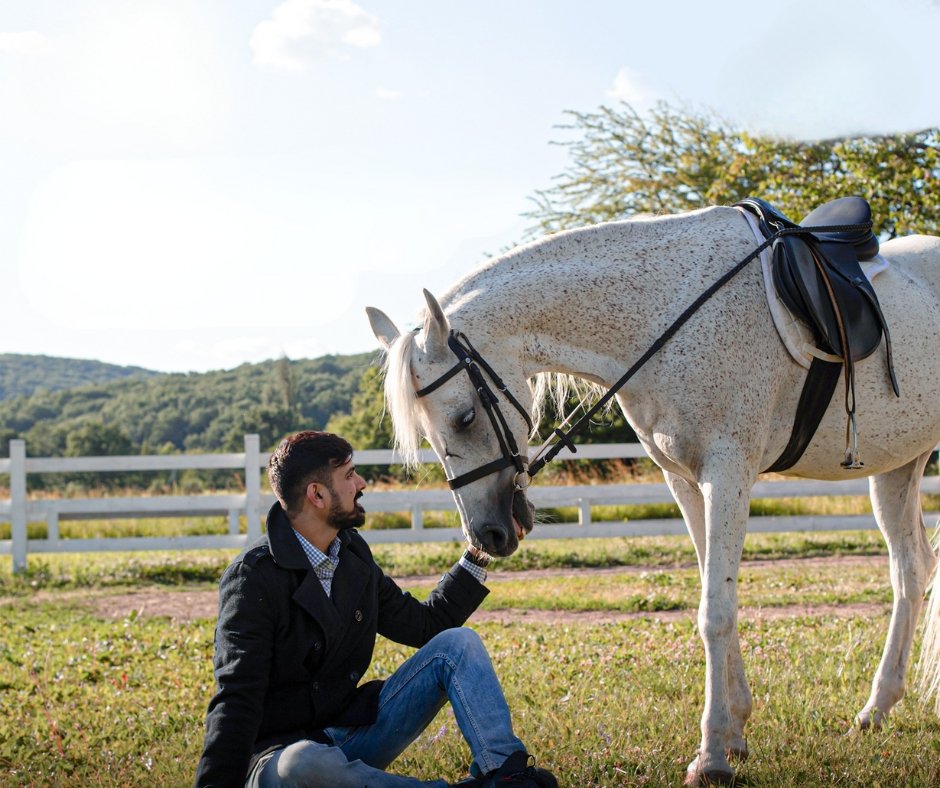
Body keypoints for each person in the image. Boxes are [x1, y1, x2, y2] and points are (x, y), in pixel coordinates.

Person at [195, 430, 557, 788]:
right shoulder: (251, 579)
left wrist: (479, 551)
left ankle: (506, 774)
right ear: (317, 495)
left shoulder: (351, 554)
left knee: (458, 645)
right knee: (303, 763)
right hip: (278, 760)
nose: (362, 483)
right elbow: (236, 698)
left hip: (348, 734)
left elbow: (424, 625)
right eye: (349, 475)